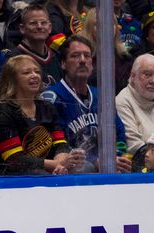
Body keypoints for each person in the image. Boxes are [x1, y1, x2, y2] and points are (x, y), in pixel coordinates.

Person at [43, 35, 131, 173]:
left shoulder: (102, 96)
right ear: (63, 63)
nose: (83, 60)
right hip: (70, 171)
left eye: (87, 56)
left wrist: (117, 157)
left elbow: (118, 134)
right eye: (75, 56)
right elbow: (57, 146)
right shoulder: (52, 98)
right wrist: (96, 161)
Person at [0, 55, 83, 175]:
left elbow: (60, 143)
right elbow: (14, 159)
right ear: (12, 79)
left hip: (47, 169)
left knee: (85, 167)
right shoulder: (2, 111)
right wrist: (55, 164)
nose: (34, 75)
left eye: (37, 72)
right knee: (39, 173)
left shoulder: (47, 106)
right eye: (26, 72)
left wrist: (60, 162)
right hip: (10, 177)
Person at [116, 53, 154, 156]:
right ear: (133, 76)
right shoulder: (122, 101)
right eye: (147, 74)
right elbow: (133, 146)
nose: (153, 81)